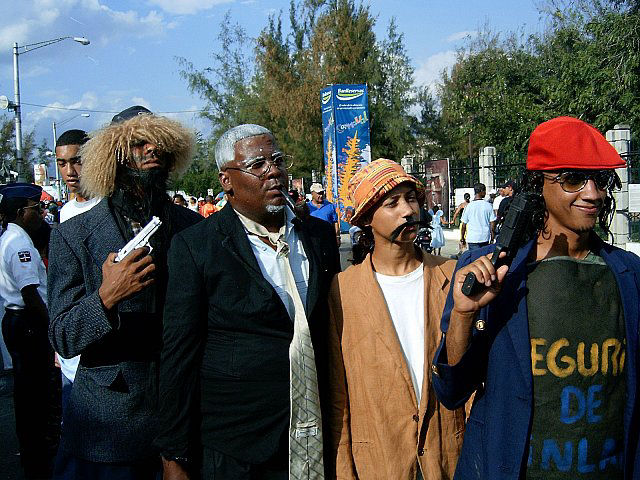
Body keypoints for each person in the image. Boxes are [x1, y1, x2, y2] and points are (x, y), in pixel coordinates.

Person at [432, 116, 639, 479]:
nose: (592, 193)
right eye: (573, 179)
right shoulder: (491, 273)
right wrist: (464, 314)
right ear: (536, 185)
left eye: (600, 180)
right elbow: (452, 392)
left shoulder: (630, 275)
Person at [156, 124, 340, 479]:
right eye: (257, 165)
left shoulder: (316, 237)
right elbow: (179, 355)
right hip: (237, 447)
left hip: (315, 431)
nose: (273, 171)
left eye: (277, 161)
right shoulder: (197, 247)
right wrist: (173, 454)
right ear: (227, 180)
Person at [47, 105, 202, 479]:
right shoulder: (73, 235)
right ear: (114, 156)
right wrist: (106, 297)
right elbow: (63, 337)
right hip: (108, 428)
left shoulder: (193, 227)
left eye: (158, 143)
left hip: (187, 415)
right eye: (138, 144)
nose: (151, 150)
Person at [327, 159, 466, 479]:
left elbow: (468, 378)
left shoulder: (450, 277)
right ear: (366, 219)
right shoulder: (341, 292)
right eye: (392, 203)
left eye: (411, 199)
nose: (407, 211)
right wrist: (345, 472)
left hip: (446, 458)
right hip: (378, 462)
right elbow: (339, 398)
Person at [0, 183, 58, 479]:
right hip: (27, 322)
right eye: (37, 209)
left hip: (17, 320)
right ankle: (36, 455)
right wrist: (51, 328)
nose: (42, 214)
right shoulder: (20, 244)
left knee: (28, 391)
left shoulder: (11, 236)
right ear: (23, 212)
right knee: (33, 392)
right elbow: (31, 293)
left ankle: (32, 449)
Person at [55, 129, 102, 413]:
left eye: (77, 161)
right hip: (72, 348)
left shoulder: (108, 209)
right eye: (62, 163)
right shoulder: (65, 212)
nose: (70, 171)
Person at [460, 183, 496, 250]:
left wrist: (462, 238)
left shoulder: (468, 206)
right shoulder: (488, 206)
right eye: (485, 191)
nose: (485, 193)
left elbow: (464, 225)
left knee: (474, 259)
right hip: (485, 238)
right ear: (481, 191)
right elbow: (492, 224)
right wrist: (492, 238)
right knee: (483, 258)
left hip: (472, 239)